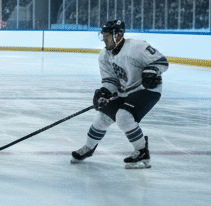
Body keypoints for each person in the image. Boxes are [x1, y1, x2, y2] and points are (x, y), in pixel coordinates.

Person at [71, 19, 168, 169]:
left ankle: (142, 151)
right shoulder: (104, 55)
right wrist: (105, 92)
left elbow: (161, 61)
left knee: (124, 116)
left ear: (118, 35)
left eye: (107, 36)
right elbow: (110, 80)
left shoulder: (137, 47)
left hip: (147, 90)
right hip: (124, 92)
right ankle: (88, 148)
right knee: (102, 117)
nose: (104, 39)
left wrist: (151, 71)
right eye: (103, 36)